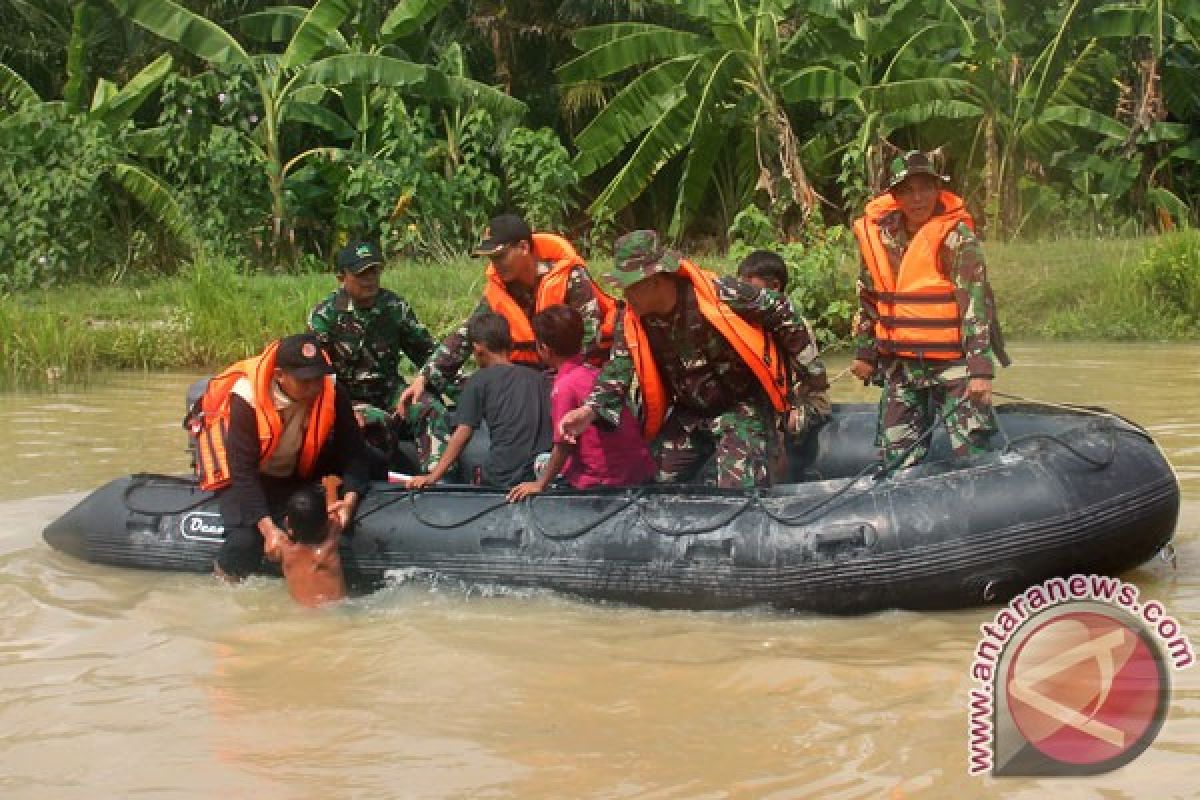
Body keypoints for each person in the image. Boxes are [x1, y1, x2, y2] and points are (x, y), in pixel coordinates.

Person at [558, 231, 830, 489]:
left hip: (739, 405)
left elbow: (782, 309)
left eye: (630, 287)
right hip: (688, 412)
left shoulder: (722, 295)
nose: (625, 296)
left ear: (654, 280)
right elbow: (616, 372)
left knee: (741, 493)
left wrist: (811, 379)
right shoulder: (632, 320)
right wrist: (588, 411)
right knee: (653, 482)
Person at [395, 214, 615, 471]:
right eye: (491, 259)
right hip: (527, 378)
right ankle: (440, 468)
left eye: (500, 256)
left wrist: (558, 387)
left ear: (523, 247)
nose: (496, 265)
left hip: (571, 379)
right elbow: (468, 334)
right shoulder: (501, 288)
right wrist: (425, 377)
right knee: (451, 386)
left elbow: (587, 343)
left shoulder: (571, 278)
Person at [849, 150, 1010, 471]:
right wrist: (865, 355)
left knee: (974, 453)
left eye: (925, 187)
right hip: (902, 366)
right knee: (895, 457)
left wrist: (980, 370)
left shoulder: (956, 238)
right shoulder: (881, 239)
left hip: (953, 365)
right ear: (895, 196)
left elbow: (974, 305)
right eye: (907, 190)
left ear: (939, 189)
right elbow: (870, 300)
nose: (917, 198)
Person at [187, 333, 370, 581]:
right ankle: (225, 579)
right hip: (247, 477)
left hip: (294, 472)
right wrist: (269, 530)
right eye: (304, 381)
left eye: (317, 378)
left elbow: (354, 451)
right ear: (279, 376)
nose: (314, 387)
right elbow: (242, 470)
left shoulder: (330, 390)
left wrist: (348, 502)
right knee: (244, 542)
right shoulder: (246, 398)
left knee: (320, 526)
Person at [308, 239, 435, 476]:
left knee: (430, 408)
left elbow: (428, 354)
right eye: (362, 274)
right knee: (373, 425)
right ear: (342, 278)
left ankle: (441, 480)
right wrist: (344, 409)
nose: (370, 279)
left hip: (390, 394)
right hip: (349, 400)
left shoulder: (395, 307)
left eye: (374, 271)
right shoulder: (325, 316)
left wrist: (425, 383)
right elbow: (318, 374)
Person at [507, 305, 655, 502]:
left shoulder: (564, 387)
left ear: (544, 349)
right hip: (638, 470)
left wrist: (540, 484)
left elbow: (564, 444)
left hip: (603, 480)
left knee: (539, 462)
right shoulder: (598, 374)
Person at [407, 312, 552, 490]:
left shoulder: (478, 381)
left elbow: (463, 433)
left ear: (477, 350)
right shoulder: (539, 379)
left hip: (502, 478)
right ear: (511, 344)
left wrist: (433, 476)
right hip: (538, 475)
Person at [736, 250, 832, 481]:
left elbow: (813, 379)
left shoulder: (792, 325)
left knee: (782, 426)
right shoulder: (742, 323)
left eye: (748, 285)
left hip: (802, 399)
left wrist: (784, 410)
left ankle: (780, 486)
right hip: (766, 398)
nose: (740, 293)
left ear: (774, 286)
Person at [265, 484, 346, 608]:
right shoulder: (327, 549)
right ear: (325, 525)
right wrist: (331, 488)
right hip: (332, 612)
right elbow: (336, 519)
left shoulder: (283, 549)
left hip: (301, 614)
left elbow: (269, 545)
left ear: (288, 525)